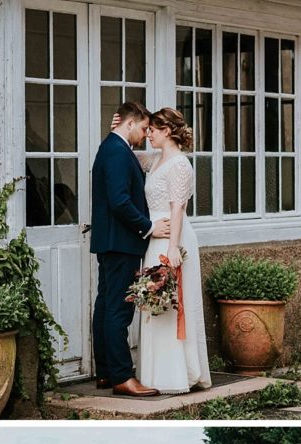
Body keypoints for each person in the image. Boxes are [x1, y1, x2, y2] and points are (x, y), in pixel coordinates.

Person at [113, 107, 212, 394]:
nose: (148, 135)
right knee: (155, 303)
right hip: (153, 238)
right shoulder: (155, 160)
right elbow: (125, 152)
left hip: (172, 237)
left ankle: (177, 373)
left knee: (171, 304)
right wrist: (116, 130)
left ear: (167, 131)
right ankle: (155, 374)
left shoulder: (180, 165)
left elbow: (177, 208)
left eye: (152, 130)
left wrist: (173, 249)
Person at [90, 101, 170, 397]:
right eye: (144, 128)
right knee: (118, 311)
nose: (145, 133)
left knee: (105, 306)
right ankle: (122, 376)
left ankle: (106, 372)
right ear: (130, 124)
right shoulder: (115, 151)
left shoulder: (114, 147)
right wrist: (149, 227)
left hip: (111, 241)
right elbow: (120, 201)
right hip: (121, 242)